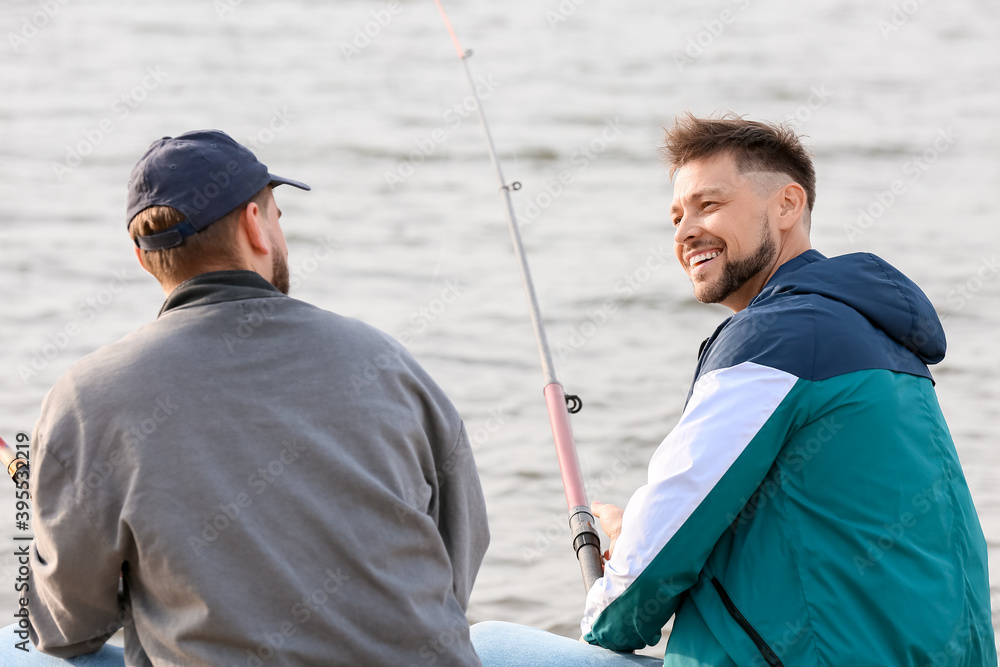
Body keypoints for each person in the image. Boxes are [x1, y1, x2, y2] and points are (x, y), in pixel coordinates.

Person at [471, 114, 995, 666]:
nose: (683, 232)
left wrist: (610, 597)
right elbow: (816, 536)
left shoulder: (776, 338)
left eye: (708, 205)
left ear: (788, 205)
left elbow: (640, 586)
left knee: (483, 648)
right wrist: (641, 537)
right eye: (676, 216)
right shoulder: (880, 343)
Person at [1, 130, 489, 666]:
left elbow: (65, 628)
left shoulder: (85, 398)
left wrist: (45, 515)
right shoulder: (388, 362)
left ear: (143, 258)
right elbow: (456, 561)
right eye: (278, 215)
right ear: (255, 226)